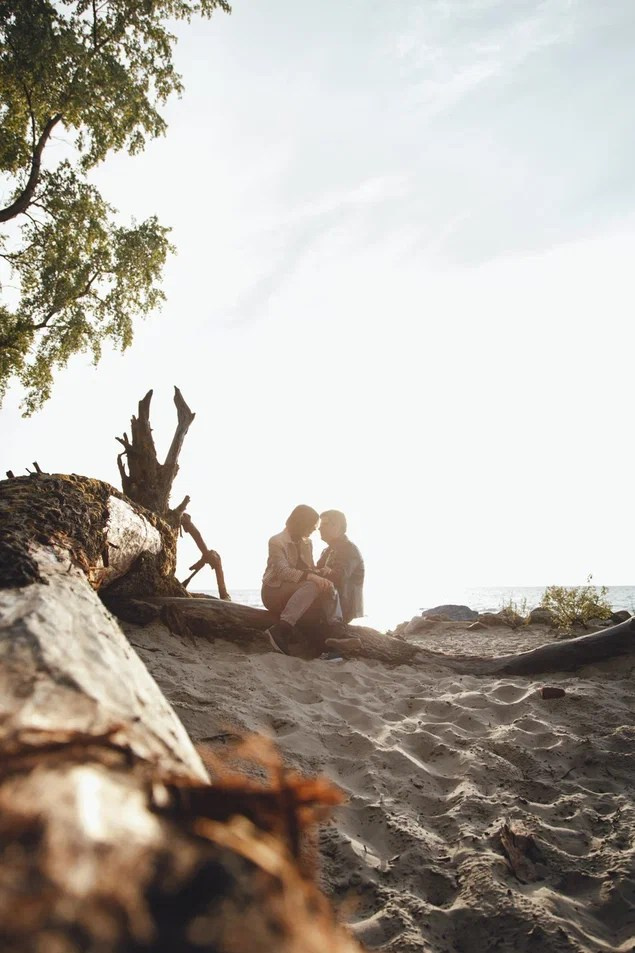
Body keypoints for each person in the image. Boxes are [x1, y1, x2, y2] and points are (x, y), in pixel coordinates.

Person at [262, 504, 342, 654]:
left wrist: (321, 574)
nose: (314, 529)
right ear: (301, 523)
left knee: (327, 586)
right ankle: (281, 629)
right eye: (311, 525)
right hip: (274, 592)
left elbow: (308, 568)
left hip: (298, 594)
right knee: (313, 586)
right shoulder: (276, 541)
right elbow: (282, 572)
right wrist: (312, 576)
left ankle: (337, 631)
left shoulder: (307, 543)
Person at [315, 510, 364, 624]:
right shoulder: (329, 549)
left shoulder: (349, 549)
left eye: (324, 524)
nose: (319, 528)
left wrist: (320, 573)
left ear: (337, 526)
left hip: (342, 608)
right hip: (330, 602)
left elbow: (339, 576)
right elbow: (318, 571)